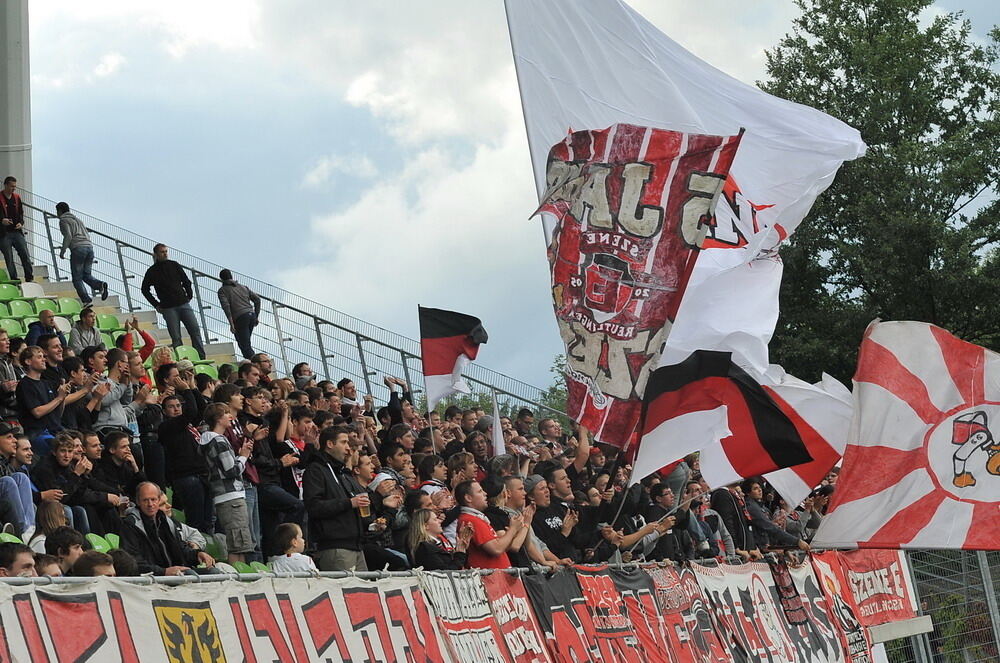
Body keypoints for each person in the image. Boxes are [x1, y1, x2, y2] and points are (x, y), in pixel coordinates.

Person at [302, 425, 369, 571]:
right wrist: (349, 503)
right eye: (344, 442)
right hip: (335, 548)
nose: (348, 448)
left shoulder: (342, 473)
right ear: (330, 444)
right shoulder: (315, 470)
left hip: (356, 547)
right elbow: (314, 507)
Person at [198, 403, 254, 564]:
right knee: (238, 543)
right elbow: (231, 471)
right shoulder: (219, 441)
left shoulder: (208, 441)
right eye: (226, 413)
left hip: (224, 496)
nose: (230, 416)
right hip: (231, 496)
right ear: (218, 418)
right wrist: (243, 456)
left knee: (237, 542)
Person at [120, 482, 215, 576]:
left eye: (153, 499)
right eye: (145, 500)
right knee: (189, 573)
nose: (150, 504)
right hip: (154, 576)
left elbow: (181, 549)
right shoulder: (130, 524)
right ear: (138, 502)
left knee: (214, 572)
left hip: (176, 572)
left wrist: (197, 554)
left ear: (158, 500)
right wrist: (164, 571)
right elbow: (134, 562)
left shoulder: (167, 521)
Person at [140, 243, 205, 359]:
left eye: (166, 251)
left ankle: (201, 357)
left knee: (195, 331)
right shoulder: (152, 271)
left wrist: (189, 295)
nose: (165, 254)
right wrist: (156, 304)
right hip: (168, 308)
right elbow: (144, 289)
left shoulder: (174, 265)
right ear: (156, 254)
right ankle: (181, 360)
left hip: (183, 303)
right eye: (162, 252)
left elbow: (186, 281)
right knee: (176, 337)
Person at [455, 479, 522, 569]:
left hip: (497, 578)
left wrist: (511, 533)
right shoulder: (470, 520)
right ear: (468, 498)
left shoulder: (478, 518)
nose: (485, 494)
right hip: (491, 579)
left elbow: (502, 548)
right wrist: (513, 529)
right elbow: (496, 549)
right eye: (480, 491)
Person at [16, 345, 70, 448]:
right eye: (39, 357)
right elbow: (37, 412)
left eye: (43, 357)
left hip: (56, 430)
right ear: (28, 362)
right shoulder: (25, 384)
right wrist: (58, 398)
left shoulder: (47, 383)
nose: (44, 360)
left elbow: (58, 414)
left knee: (79, 442)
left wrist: (62, 397)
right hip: (39, 432)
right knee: (63, 448)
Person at [56, 201, 107, 303]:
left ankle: (86, 300)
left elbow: (68, 236)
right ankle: (100, 285)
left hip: (78, 249)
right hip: (89, 248)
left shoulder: (63, 220)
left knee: (77, 279)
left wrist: (63, 250)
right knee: (86, 275)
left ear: (60, 211)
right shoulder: (78, 220)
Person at [0, 421, 37, 539]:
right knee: (8, 481)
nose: (15, 440)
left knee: (20, 477)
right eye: (9, 437)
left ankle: (29, 530)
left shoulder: (7, 465)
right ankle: (22, 532)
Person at [217, 269, 261, 360]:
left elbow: (226, 307)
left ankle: (256, 364)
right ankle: (251, 364)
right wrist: (256, 315)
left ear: (221, 279)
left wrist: (231, 323)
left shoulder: (222, 291)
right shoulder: (244, 287)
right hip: (251, 315)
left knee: (244, 345)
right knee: (244, 343)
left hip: (240, 318)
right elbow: (257, 299)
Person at [408, 509, 472, 570]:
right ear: (425, 526)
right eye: (435, 519)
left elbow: (457, 564)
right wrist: (460, 554)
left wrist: (462, 548)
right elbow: (445, 572)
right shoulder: (425, 548)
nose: (440, 521)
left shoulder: (440, 543)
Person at [0, 176, 31, 282]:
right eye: (12, 186)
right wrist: (1, 220)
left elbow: (21, 213)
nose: (13, 189)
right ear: (6, 185)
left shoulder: (17, 197)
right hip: (4, 233)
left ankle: (29, 277)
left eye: (15, 187)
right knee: (9, 257)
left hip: (17, 231)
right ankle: (14, 278)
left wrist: (21, 223)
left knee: (25, 254)